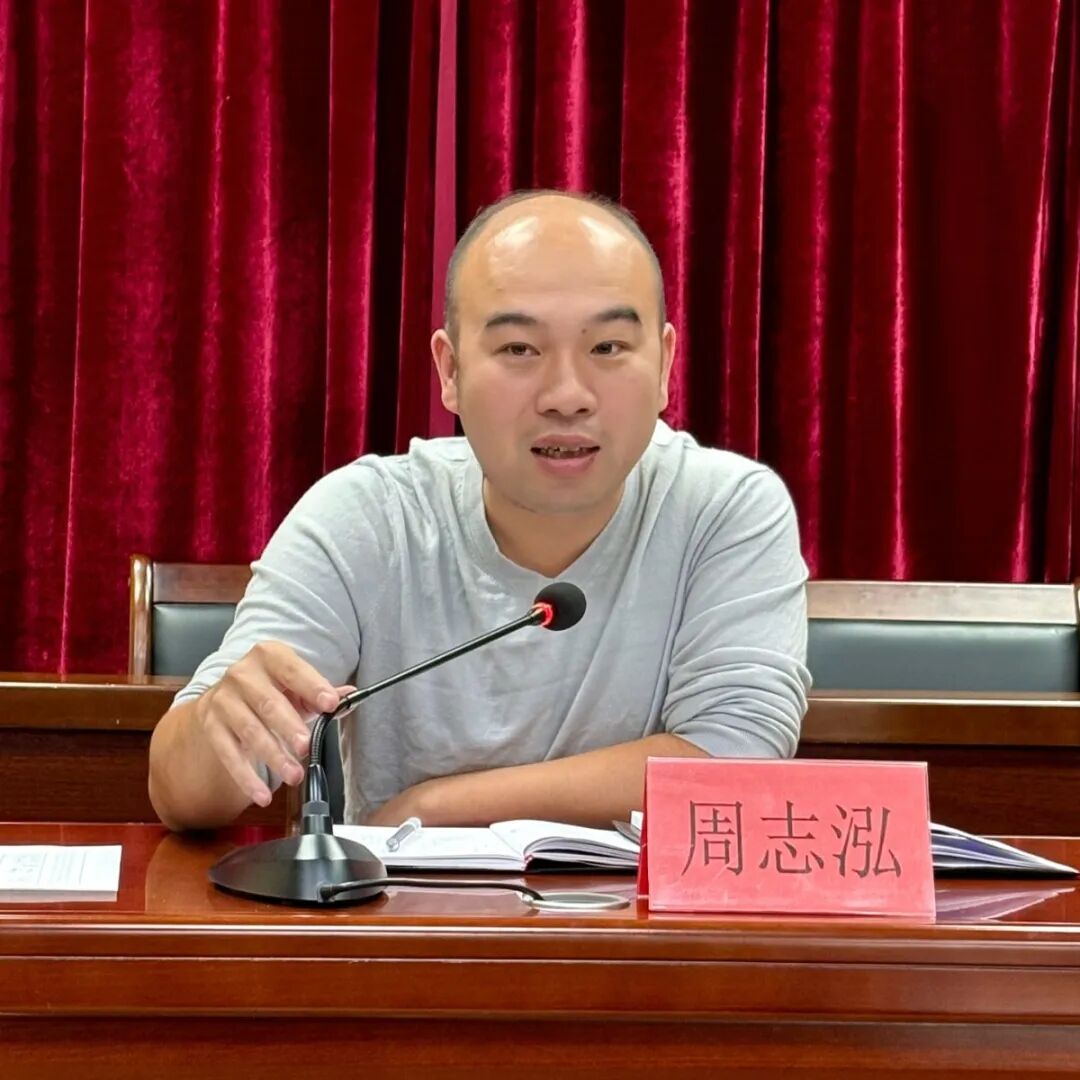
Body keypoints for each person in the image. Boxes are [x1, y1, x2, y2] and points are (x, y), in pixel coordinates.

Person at [148, 189, 811, 832]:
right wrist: (215, 737)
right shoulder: (370, 517)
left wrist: (438, 806)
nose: (568, 395)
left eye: (607, 348)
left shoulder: (724, 509)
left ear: (664, 364)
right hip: (411, 909)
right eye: (519, 349)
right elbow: (182, 796)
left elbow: (737, 757)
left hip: (641, 912)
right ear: (450, 370)